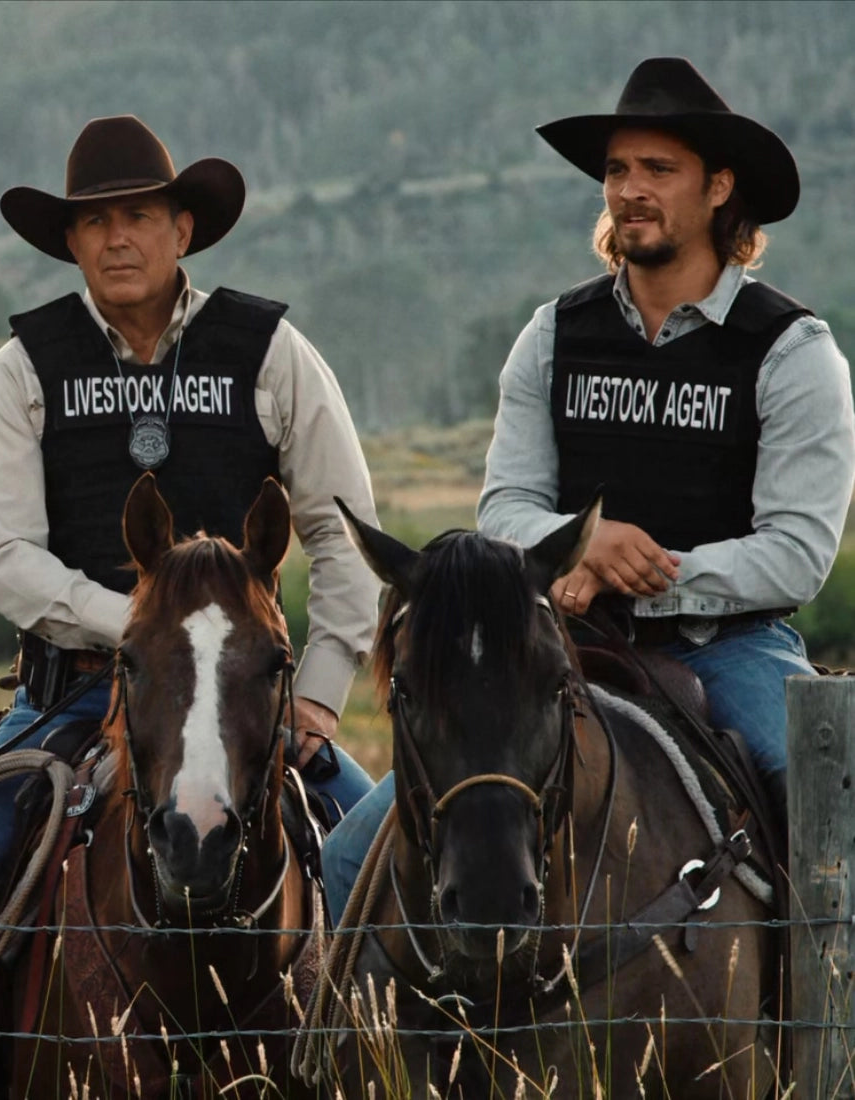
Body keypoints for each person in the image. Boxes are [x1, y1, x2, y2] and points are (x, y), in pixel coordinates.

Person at [321, 55, 855, 926]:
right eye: (616, 170)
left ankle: (822, 1054)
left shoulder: (790, 351)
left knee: (834, 828)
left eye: (658, 170)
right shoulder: (553, 335)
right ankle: (366, 1060)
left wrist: (637, 567)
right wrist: (585, 548)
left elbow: (795, 554)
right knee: (354, 863)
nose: (630, 190)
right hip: (557, 650)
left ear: (720, 189)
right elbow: (505, 508)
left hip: (729, 650)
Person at [0, 114, 380, 945]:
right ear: (71, 243)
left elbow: (345, 534)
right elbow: (0, 555)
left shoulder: (271, 351)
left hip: (253, 701)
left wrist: (322, 697)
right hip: (74, 695)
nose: (118, 238)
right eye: (95, 221)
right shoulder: (25, 369)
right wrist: (148, 632)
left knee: (390, 881)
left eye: (140, 216)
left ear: (182, 229)